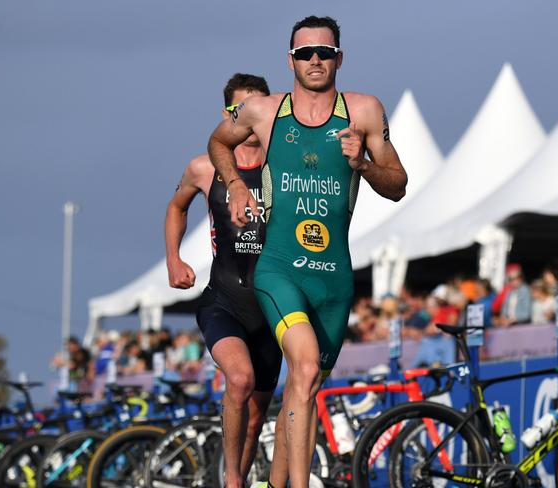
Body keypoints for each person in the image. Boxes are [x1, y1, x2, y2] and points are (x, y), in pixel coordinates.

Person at [208, 16, 407, 488]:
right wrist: (235, 184)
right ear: (290, 60)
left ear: (339, 57)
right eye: (304, 53)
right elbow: (219, 140)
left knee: (307, 385)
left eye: (324, 52)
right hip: (279, 269)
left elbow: (397, 184)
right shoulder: (262, 110)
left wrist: (362, 162)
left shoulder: (363, 111)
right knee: (301, 364)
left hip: (333, 278)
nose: (314, 60)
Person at [165, 73, 281, 488]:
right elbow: (176, 207)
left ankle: (241, 477)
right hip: (225, 301)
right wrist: (173, 259)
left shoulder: (280, 164)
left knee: (255, 418)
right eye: (239, 109)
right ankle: (231, 481)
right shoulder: (204, 167)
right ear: (227, 114)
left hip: (273, 306)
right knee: (239, 379)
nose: (248, 117)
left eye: (257, 106)